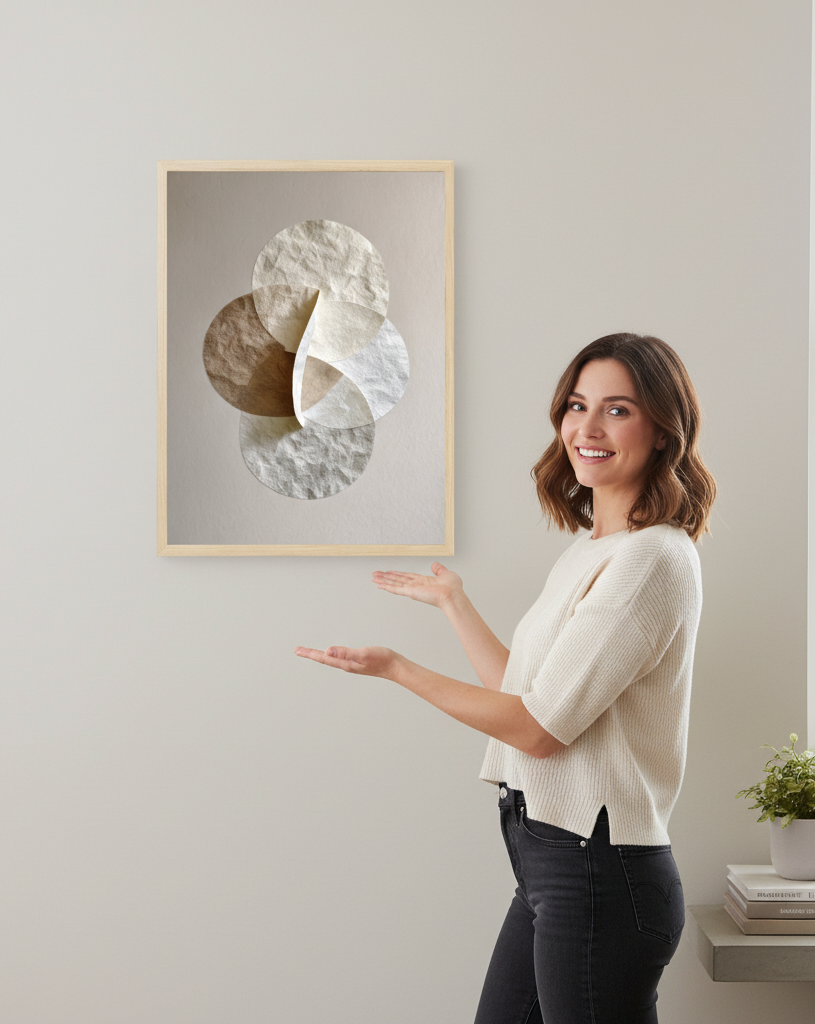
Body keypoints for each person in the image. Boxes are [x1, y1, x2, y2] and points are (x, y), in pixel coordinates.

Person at [294, 333, 717, 1024]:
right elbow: (526, 695)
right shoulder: (591, 551)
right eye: (576, 406)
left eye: (616, 410)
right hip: (551, 861)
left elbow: (540, 731)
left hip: (598, 873)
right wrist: (454, 605)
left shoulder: (653, 561)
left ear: (663, 429)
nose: (586, 427)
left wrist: (398, 669)